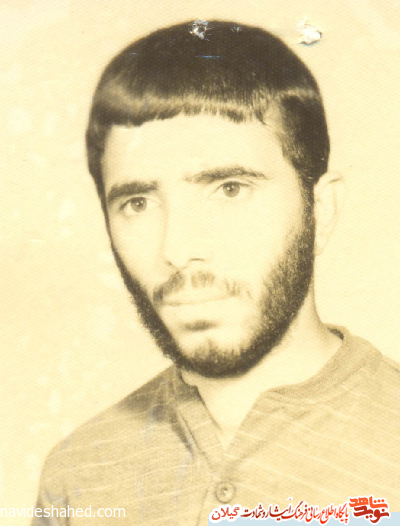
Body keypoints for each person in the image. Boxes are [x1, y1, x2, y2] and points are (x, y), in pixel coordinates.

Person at [32, 20, 400, 525]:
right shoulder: (78, 476)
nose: (178, 250)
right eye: (138, 203)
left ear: (321, 210)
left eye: (230, 189)